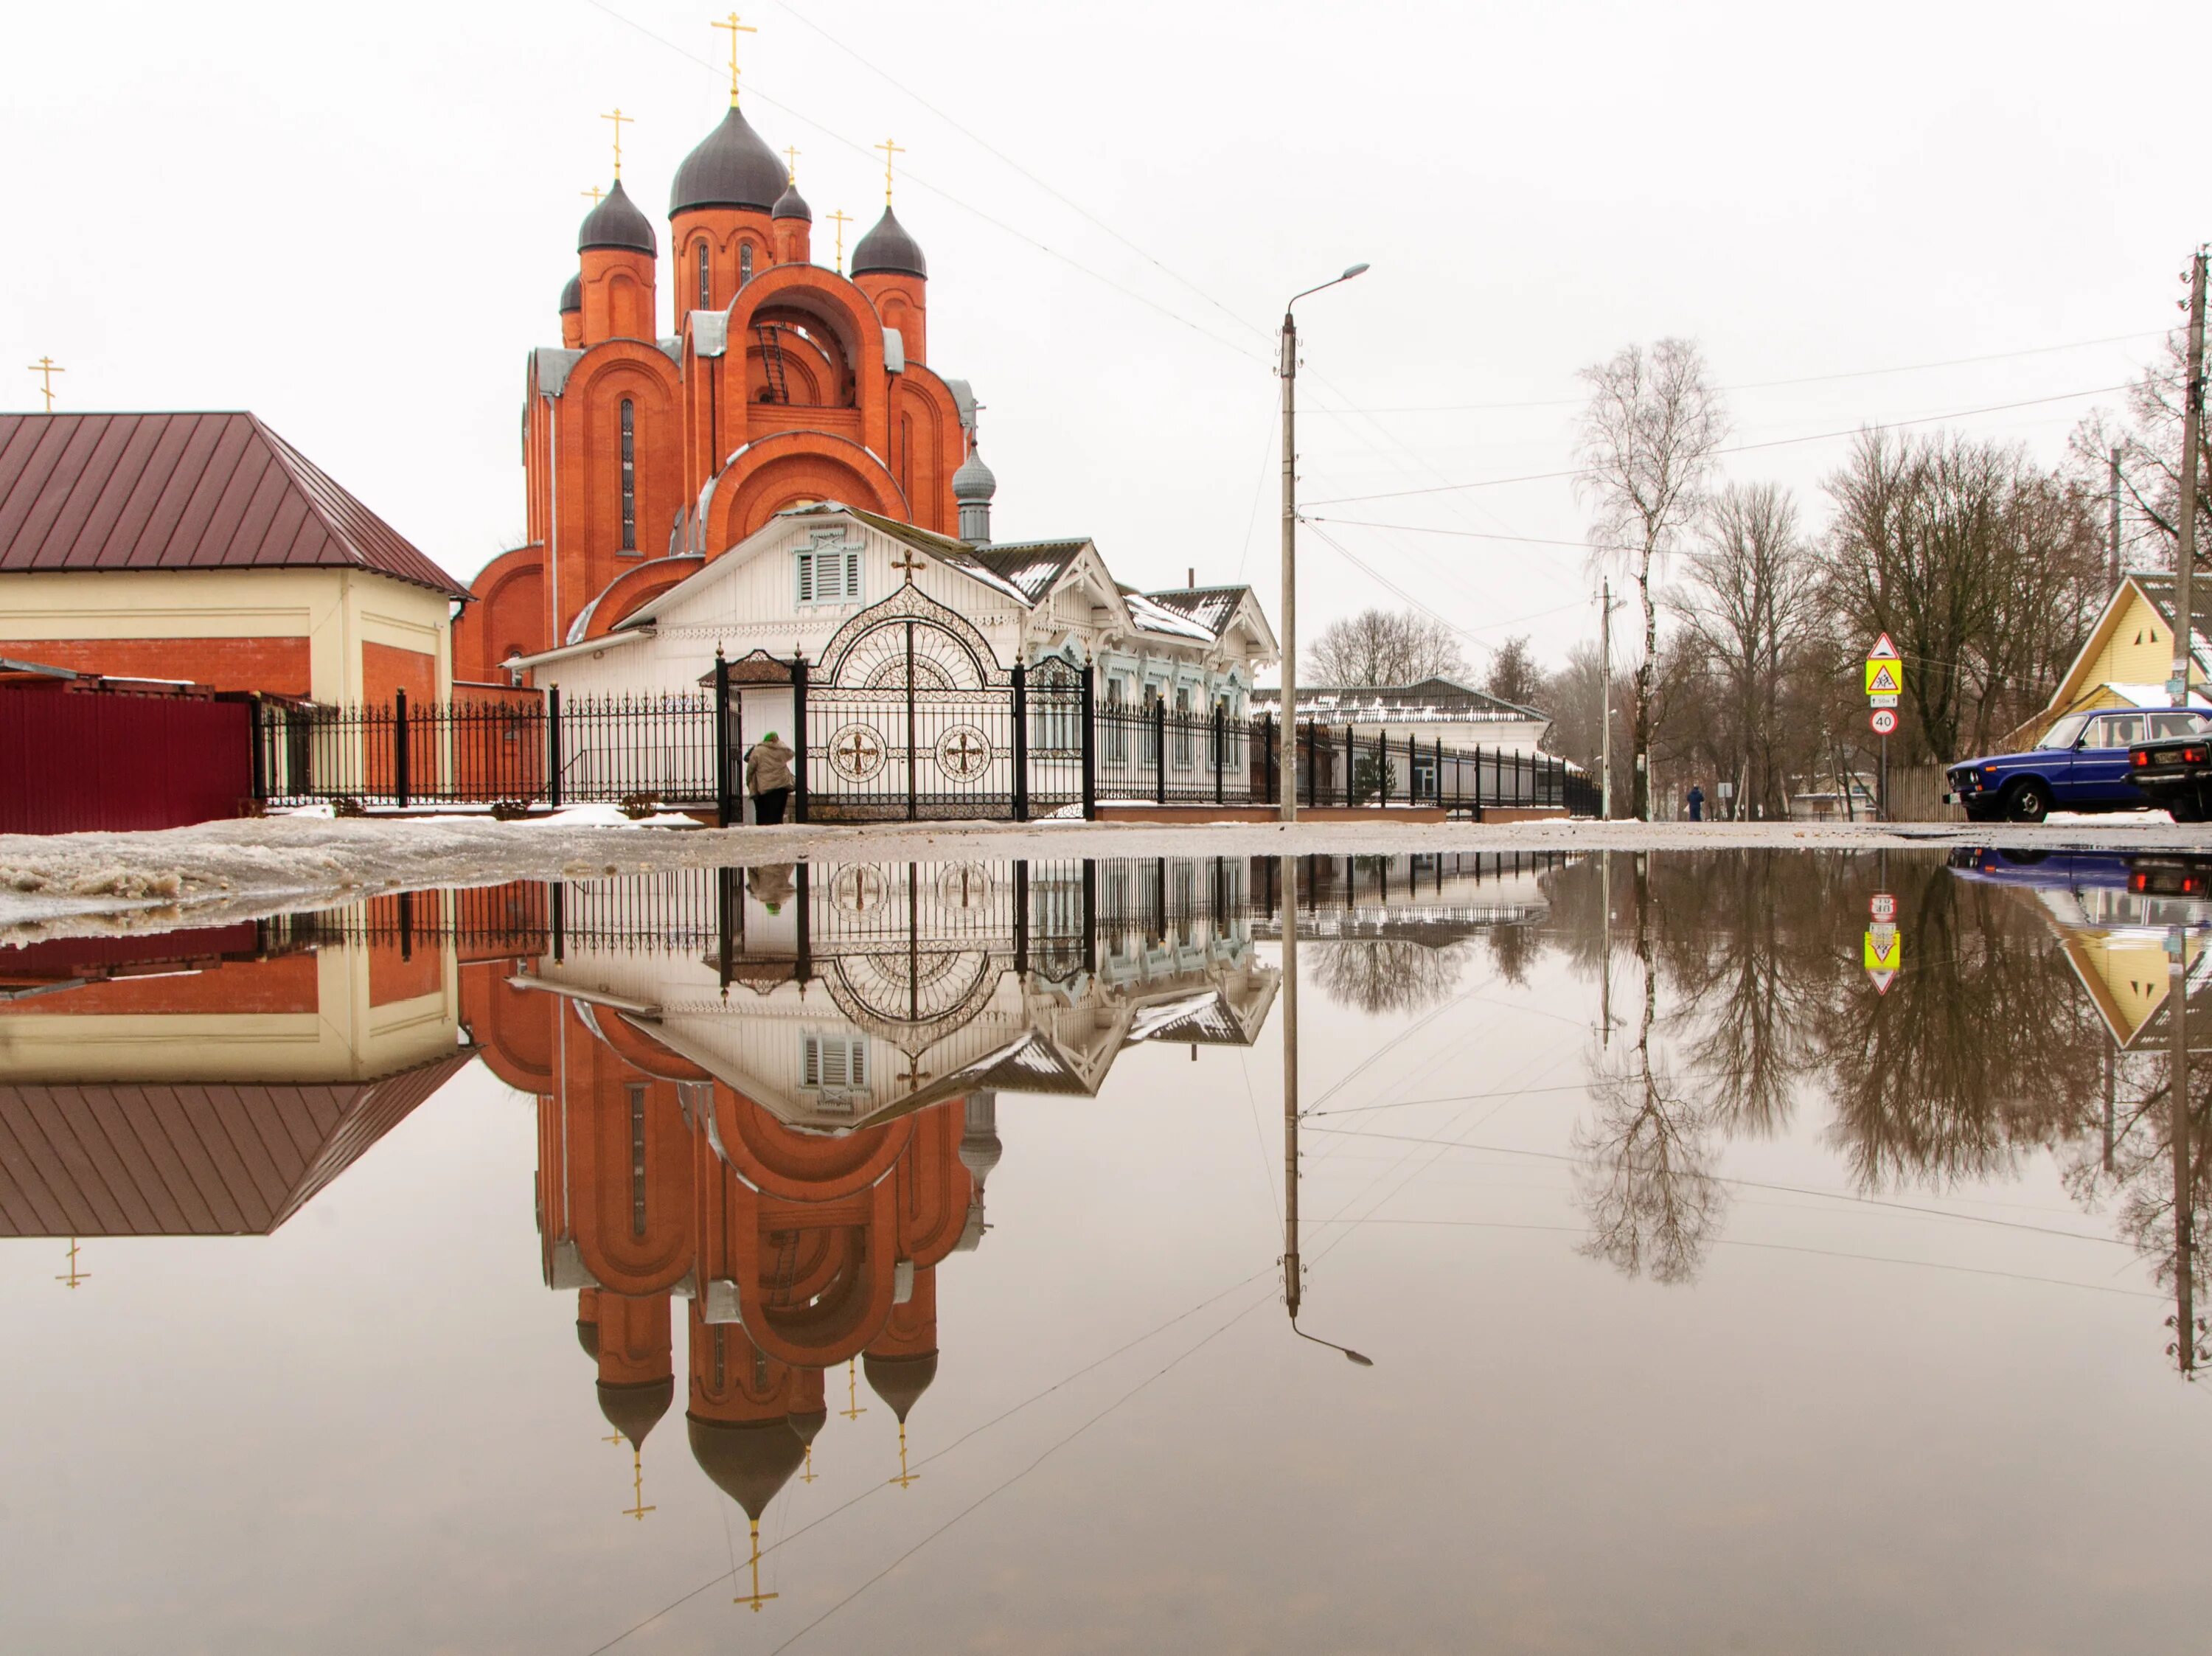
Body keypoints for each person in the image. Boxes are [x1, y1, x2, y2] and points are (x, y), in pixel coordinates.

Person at [745, 730, 796, 824]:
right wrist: (780, 744)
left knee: (764, 816)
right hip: (781, 787)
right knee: (778, 816)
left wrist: (749, 782)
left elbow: (750, 769)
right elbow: (791, 754)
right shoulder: (781, 750)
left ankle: (764, 835)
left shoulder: (758, 750)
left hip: (765, 788)